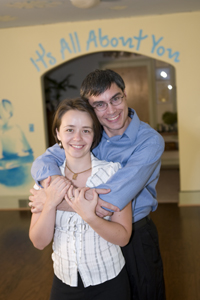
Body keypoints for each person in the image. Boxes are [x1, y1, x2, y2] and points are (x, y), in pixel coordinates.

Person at [30, 69, 166, 300]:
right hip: (94, 242)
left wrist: (50, 200)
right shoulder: (89, 135)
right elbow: (45, 160)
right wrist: (52, 183)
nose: (111, 110)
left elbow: (110, 201)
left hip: (135, 236)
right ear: (90, 109)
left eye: (116, 98)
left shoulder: (149, 142)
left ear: (125, 95)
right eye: (99, 104)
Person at [29, 98, 131, 300]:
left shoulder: (113, 174)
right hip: (64, 284)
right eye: (69, 130)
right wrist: (50, 202)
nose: (78, 137)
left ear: (94, 136)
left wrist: (90, 216)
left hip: (110, 283)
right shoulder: (46, 180)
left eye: (86, 130)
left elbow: (123, 237)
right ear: (57, 133)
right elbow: (39, 242)